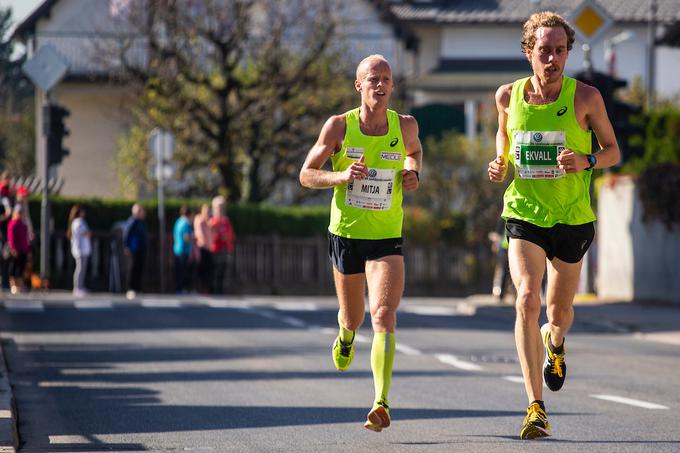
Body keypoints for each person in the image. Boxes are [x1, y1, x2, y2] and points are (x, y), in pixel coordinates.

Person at [488, 12, 620, 440]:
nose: (552, 58)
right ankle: (535, 407)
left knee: (558, 313)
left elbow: (614, 150)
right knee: (526, 298)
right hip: (525, 212)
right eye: (544, 50)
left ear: (567, 52)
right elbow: (504, 136)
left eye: (560, 50)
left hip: (573, 217)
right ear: (528, 52)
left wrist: (588, 160)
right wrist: (500, 162)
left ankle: (555, 341)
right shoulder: (507, 96)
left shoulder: (586, 98)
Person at [299, 54, 422, 432]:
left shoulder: (405, 125)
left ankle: (381, 401)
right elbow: (306, 175)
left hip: (386, 235)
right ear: (359, 85)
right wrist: (340, 177)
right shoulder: (338, 127)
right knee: (353, 316)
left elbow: (414, 154)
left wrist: (412, 172)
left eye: (387, 79)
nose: (381, 85)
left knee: (384, 314)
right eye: (373, 79)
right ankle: (346, 335)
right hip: (347, 234)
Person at [208, 195, 235, 294]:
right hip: (215, 249)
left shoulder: (226, 221)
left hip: (225, 249)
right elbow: (210, 236)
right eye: (219, 207)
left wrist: (226, 237)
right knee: (214, 270)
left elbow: (231, 235)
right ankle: (213, 289)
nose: (221, 209)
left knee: (223, 270)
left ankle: (220, 290)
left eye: (222, 207)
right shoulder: (212, 222)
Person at [123, 203, 148, 299]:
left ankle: (138, 288)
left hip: (141, 249)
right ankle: (130, 289)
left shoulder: (141, 222)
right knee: (132, 268)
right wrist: (126, 246)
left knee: (139, 269)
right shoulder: (132, 221)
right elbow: (126, 234)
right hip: (133, 249)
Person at [67, 205, 92, 297]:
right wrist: (88, 233)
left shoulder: (78, 222)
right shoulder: (78, 222)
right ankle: (77, 288)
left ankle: (81, 286)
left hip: (82, 249)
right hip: (80, 249)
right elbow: (86, 233)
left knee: (82, 269)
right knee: (80, 269)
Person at [7, 204, 31, 294]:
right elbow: (11, 238)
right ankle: (13, 285)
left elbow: (26, 238)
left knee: (21, 269)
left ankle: (20, 285)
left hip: (23, 249)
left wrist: (28, 250)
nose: (20, 214)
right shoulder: (13, 224)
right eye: (19, 212)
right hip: (16, 250)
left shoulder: (23, 224)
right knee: (13, 268)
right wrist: (13, 248)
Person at [173, 205, 194, 294]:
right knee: (183, 271)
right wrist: (194, 238)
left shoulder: (178, 221)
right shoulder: (186, 223)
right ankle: (181, 289)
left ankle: (179, 288)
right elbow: (186, 237)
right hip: (184, 250)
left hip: (177, 249)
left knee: (179, 271)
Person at [193, 203, 212, 294]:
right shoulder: (199, 220)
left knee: (207, 270)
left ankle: (206, 289)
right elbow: (200, 234)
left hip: (208, 248)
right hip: (201, 248)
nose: (207, 212)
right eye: (206, 210)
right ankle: (199, 288)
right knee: (200, 269)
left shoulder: (208, 221)